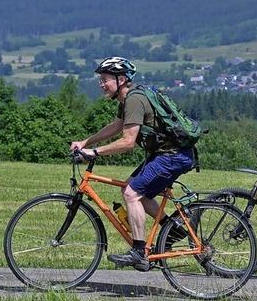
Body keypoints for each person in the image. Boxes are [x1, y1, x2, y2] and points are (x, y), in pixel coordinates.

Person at [70, 56, 195, 271]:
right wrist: (85, 142)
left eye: (105, 79)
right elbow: (117, 126)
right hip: (166, 154)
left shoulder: (134, 100)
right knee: (134, 189)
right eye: (100, 80)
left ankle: (139, 252)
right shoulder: (129, 99)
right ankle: (172, 230)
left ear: (121, 79)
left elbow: (128, 142)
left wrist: (94, 152)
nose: (101, 84)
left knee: (131, 193)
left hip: (173, 155)